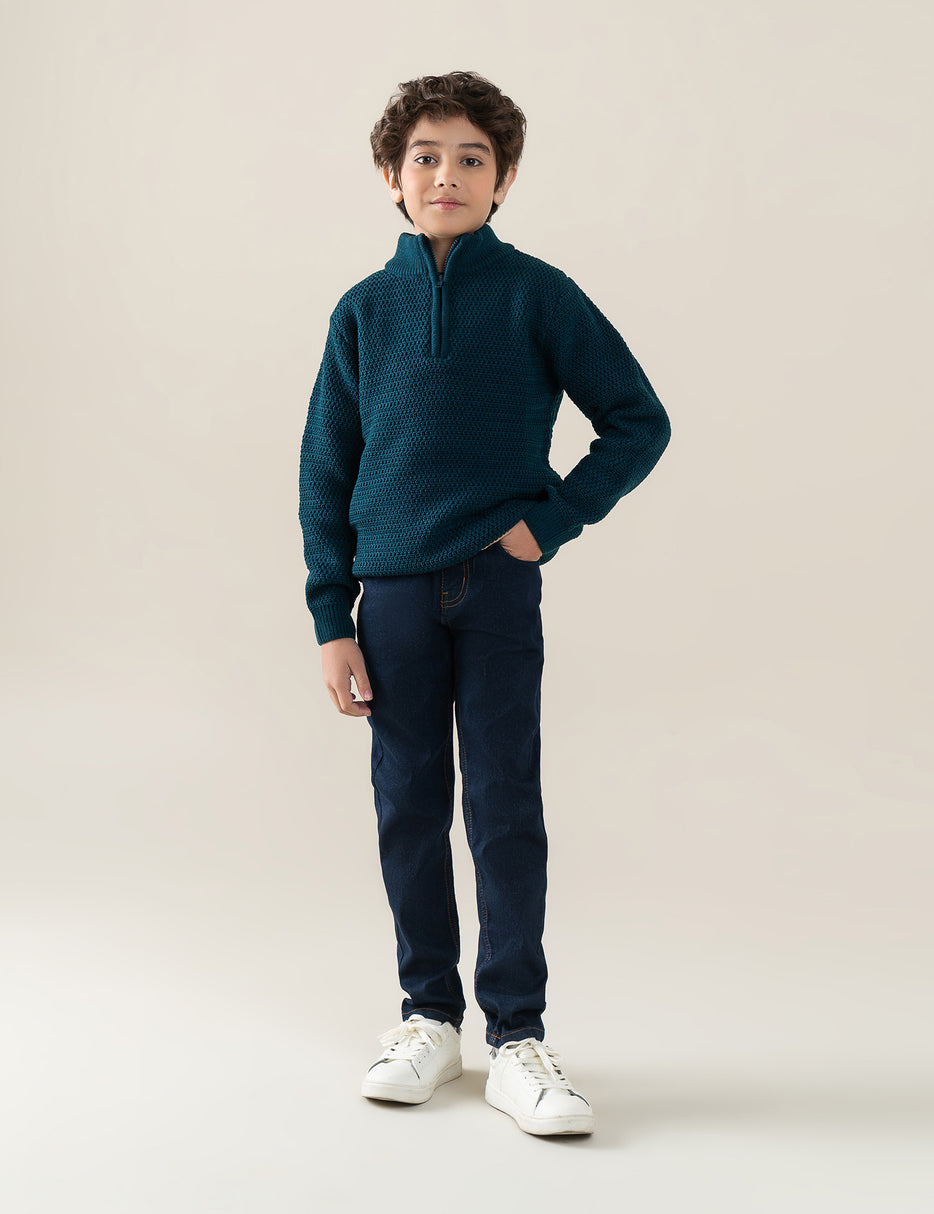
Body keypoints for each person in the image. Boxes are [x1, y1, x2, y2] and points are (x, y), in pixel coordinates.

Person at [298, 70, 671, 1137]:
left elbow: (637, 420)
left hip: (497, 585)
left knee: (505, 804)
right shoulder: (362, 311)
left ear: (503, 180)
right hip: (391, 596)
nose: (447, 175)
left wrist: (548, 523)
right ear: (391, 176)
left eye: (472, 158)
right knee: (408, 802)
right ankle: (428, 1016)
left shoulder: (537, 294)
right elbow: (325, 469)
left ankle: (516, 1035)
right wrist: (332, 617)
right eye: (425, 156)